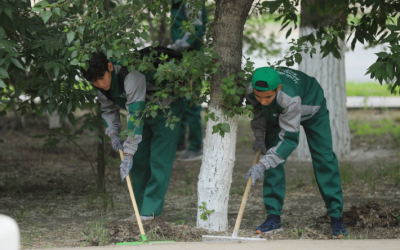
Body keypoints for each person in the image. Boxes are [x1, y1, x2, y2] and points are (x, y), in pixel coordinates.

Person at [246, 66, 348, 238]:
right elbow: (258, 113)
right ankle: (273, 217)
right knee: (273, 157)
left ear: (278, 89)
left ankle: (336, 217)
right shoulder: (252, 91)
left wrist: (261, 165)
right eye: (258, 96)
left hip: (312, 108)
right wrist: (258, 136)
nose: (262, 101)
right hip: (279, 111)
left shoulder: (289, 98)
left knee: (324, 158)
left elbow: (289, 140)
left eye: (267, 97)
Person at [81, 51, 183, 220]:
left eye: (101, 77)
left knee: (159, 160)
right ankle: (139, 210)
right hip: (142, 115)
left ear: (110, 67)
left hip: (166, 111)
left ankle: (150, 213)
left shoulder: (130, 73)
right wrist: (113, 134)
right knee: (138, 161)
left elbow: (136, 113)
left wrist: (128, 151)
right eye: (94, 81)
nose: (100, 83)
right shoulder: (100, 85)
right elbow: (108, 109)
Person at [170, 0, 207, 161]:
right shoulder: (177, 3)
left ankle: (196, 146)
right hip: (181, 59)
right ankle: (180, 144)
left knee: (191, 102)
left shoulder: (192, 2)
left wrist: (175, 46)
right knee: (179, 99)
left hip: (191, 60)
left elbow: (196, 30)